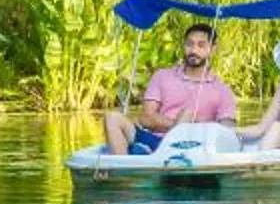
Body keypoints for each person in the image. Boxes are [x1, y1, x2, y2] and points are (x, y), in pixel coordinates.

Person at [102, 21, 239, 156]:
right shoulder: (162, 76)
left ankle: (152, 155)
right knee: (111, 117)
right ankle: (127, 172)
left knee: (187, 113)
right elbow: (145, 118)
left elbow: (227, 132)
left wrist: (192, 128)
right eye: (189, 44)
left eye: (201, 45)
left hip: (193, 148)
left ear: (213, 49)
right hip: (154, 140)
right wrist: (177, 125)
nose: (193, 50)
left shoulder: (223, 90)